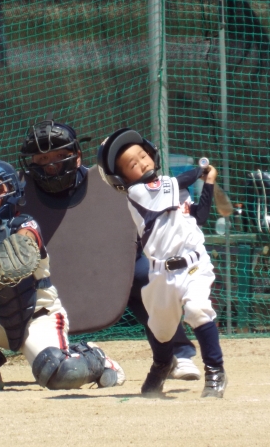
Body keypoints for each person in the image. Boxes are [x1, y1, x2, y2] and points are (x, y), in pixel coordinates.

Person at [19, 119, 201, 381]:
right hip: (49, 278)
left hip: (107, 265)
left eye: (58, 155)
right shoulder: (20, 193)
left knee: (146, 275)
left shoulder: (109, 182)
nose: (51, 164)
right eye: (42, 158)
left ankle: (178, 353)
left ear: (77, 156)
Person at [0, 160, 125, 392]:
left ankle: (96, 358)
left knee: (62, 374)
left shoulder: (25, 223)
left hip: (37, 318)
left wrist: (18, 248)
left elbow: (28, 235)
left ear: (12, 190)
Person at [96, 128, 227, 398]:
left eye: (143, 156)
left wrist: (209, 183)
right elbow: (181, 180)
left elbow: (200, 217)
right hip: (161, 273)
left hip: (194, 265)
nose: (142, 163)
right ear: (122, 179)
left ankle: (215, 370)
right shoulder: (138, 193)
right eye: (132, 164)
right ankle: (162, 365)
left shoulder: (173, 189)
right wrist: (200, 170)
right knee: (162, 330)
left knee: (198, 309)